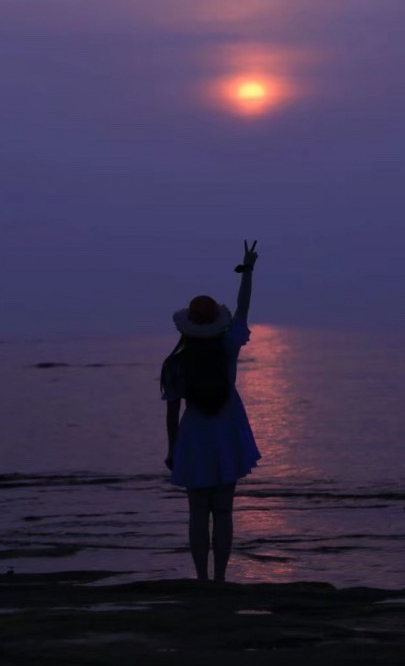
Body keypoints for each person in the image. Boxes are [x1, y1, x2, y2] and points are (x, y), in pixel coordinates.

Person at [160, 240, 261, 582]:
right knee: (224, 511)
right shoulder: (228, 347)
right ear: (216, 322)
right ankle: (220, 577)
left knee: (198, 512)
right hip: (226, 430)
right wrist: (247, 271)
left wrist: (172, 448)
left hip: (195, 434)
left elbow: (172, 412)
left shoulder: (176, 363)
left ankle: (202, 578)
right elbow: (243, 309)